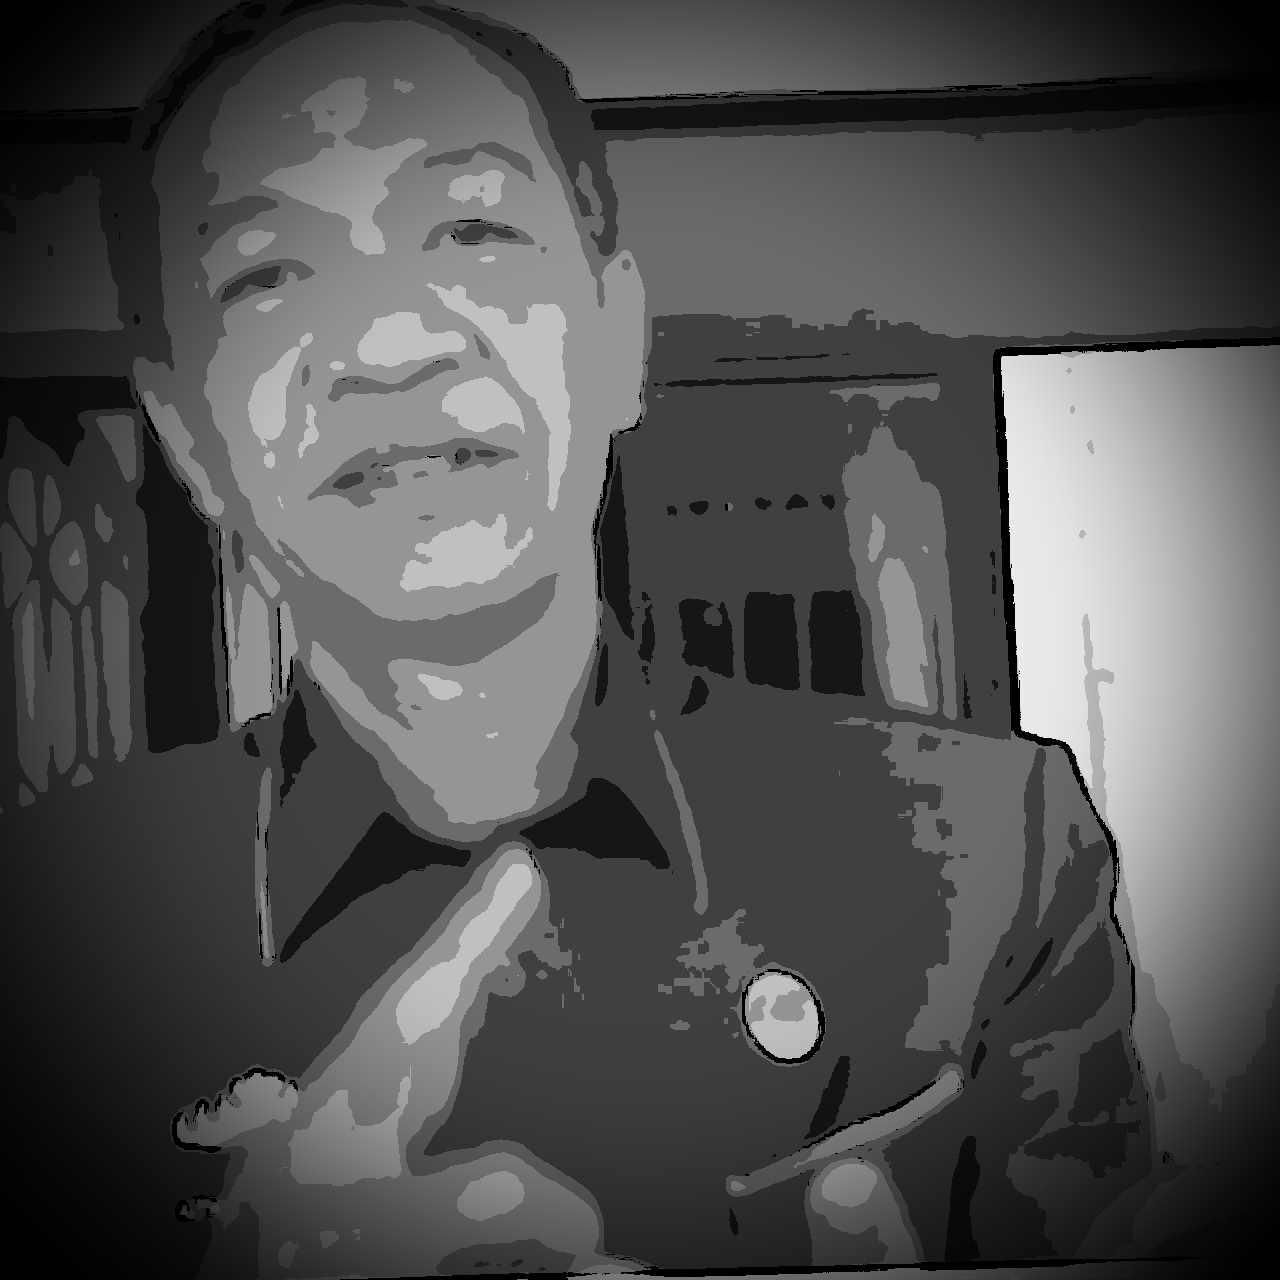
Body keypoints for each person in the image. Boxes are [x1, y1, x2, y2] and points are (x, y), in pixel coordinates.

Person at [3, 2, 1153, 1276]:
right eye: (265, 275)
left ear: (617, 335)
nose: (388, 344)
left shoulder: (987, 850)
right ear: (186, 438)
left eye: (474, 229)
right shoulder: (43, 935)